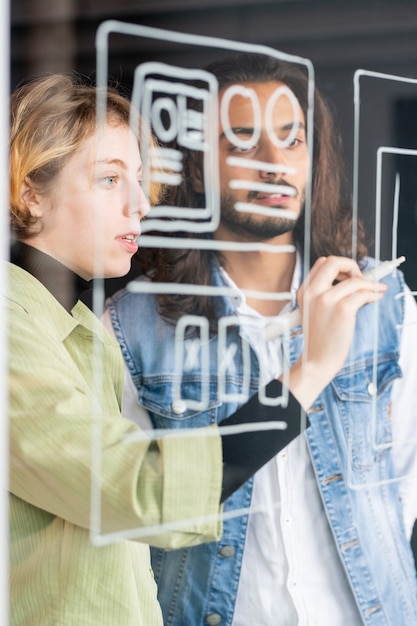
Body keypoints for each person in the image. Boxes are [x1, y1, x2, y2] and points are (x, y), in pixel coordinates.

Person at [6, 73, 384, 626]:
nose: (140, 205)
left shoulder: (80, 330)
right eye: (110, 179)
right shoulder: (17, 331)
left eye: (140, 180)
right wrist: (312, 370)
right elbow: (144, 487)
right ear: (29, 194)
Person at [105, 53, 417, 625]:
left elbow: (402, 486)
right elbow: (142, 515)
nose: (275, 164)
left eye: (292, 140)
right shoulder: (132, 329)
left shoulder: (384, 304)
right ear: (198, 170)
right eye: (243, 143)